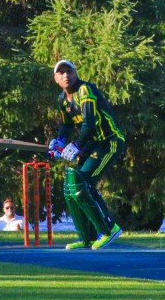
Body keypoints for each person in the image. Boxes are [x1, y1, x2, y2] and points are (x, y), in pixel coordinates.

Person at [49, 60, 125, 250]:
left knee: (84, 183)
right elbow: (67, 125)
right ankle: (87, 237)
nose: (66, 75)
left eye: (69, 71)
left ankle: (109, 228)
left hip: (109, 142)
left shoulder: (85, 90)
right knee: (71, 186)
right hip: (92, 146)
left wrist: (75, 145)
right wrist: (59, 141)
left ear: (76, 73)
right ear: (56, 78)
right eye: (61, 73)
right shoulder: (62, 100)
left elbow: (89, 123)